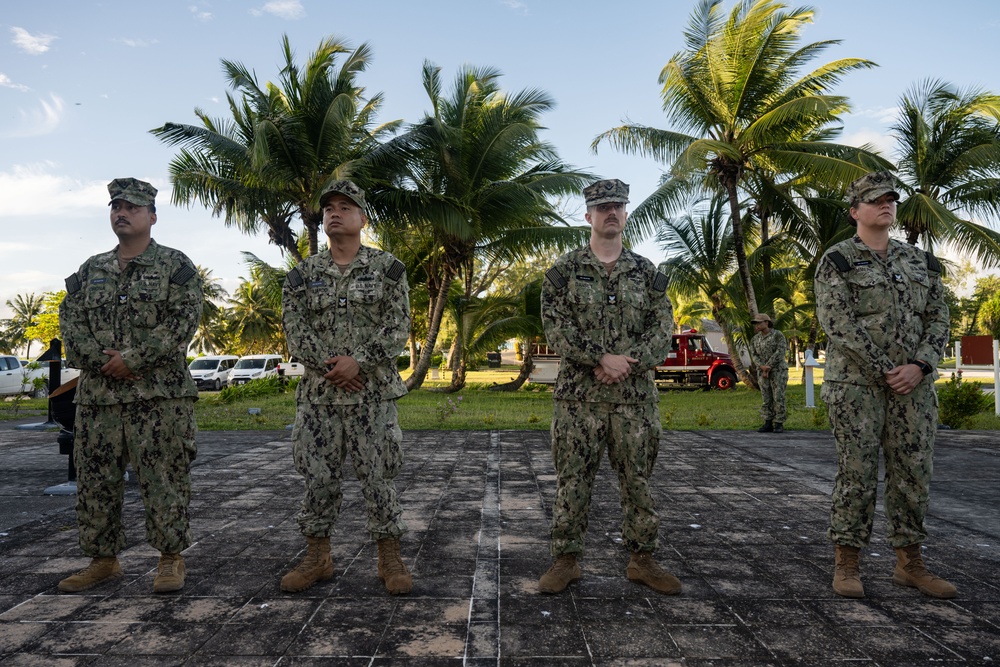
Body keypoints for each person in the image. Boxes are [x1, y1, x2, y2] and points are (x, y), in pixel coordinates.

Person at [57, 178, 202, 594]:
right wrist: (102, 362)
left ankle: (170, 559)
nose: (121, 213)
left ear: (152, 217)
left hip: (158, 398)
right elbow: (72, 323)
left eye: (132, 207)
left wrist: (132, 359)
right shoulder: (91, 270)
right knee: (95, 481)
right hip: (100, 398)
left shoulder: (175, 266)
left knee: (164, 479)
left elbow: (182, 323)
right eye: (116, 206)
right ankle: (103, 560)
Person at [815, 171, 955, 599]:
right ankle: (848, 562)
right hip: (856, 387)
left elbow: (940, 318)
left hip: (914, 388)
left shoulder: (921, 262)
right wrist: (886, 369)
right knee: (856, 474)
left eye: (891, 198)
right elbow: (837, 323)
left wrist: (920, 366)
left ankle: (909, 563)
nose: (886, 205)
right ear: (855, 211)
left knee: (913, 474)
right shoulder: (836, 261)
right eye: (875, 199)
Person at [538, 178, 679, 595]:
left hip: (634, 400)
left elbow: (661, 331)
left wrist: (625, 365)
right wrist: (601, 357)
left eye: (618, 205)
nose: (611, 212)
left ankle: (642, 559)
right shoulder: (562, 273)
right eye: (602, 207)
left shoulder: (648, 273)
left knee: (638, 480)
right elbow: (555, 328)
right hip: (578, 400)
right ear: (588, 216)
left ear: (626, 213)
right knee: (573, 480)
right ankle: (566, 559)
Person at [279, 179, 413, 595]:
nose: (335, 213)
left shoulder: (388, 269)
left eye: (345, 207)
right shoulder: (302, 274)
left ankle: (389, 558)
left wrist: (360, 361)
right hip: (320, 398)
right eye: (330, 207)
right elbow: (294, 328)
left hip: (371, 395)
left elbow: (398, 325)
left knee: (379, 478)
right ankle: (318, 557)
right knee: (318, 478)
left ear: (362, 218)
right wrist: (330, 365)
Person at [749, 313, 788, 433]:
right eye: (755, 323)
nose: (757, 325)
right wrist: (761, 366)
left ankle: (779, 423)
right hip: (763, 372)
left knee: (778, 396)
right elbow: (753, 354)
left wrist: (768, 366)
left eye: (759, 322)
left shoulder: (777, 335)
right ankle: (767, 422)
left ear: (767, 323)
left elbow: (780, 351)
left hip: (778, 370)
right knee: (766, 397)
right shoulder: (755, 339)